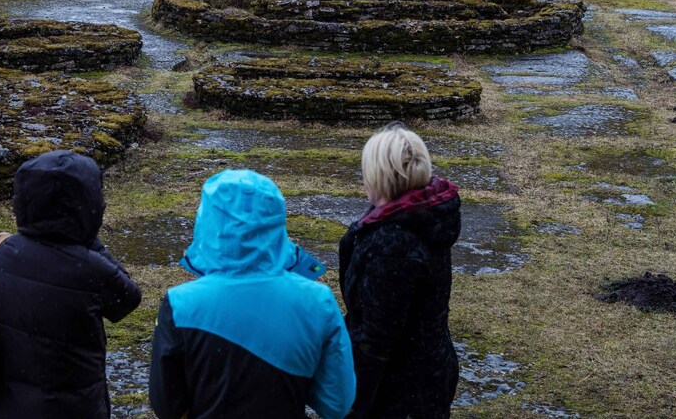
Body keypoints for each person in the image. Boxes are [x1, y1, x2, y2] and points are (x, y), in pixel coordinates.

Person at [149, 169, 356, 419]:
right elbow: (337, 404)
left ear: (208, 223)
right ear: (277, 222)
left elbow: (166, 406)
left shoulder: (180, 305)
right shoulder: (318, 301)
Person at [0, 150, 142, 419]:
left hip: (6, 403)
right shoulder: (91, 267)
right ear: (90, 204)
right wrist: (89, 238)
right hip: (76, 407)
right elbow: (128, 300)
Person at [339, 123, 461, 418]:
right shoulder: (425, 216)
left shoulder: (392, 243)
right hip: (430, 365)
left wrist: (354, 401)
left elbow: (378, 339)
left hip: (399, 389)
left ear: (379, 176)